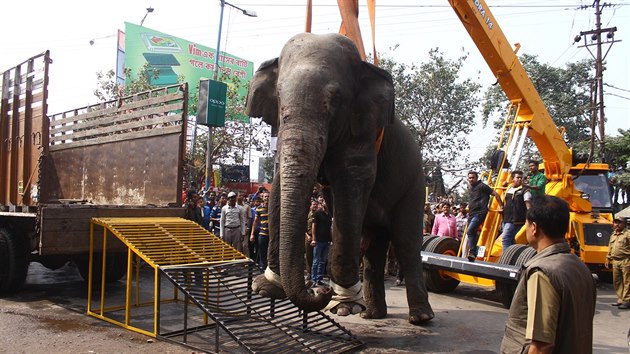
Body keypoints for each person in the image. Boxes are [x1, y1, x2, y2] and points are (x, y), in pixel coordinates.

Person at [500, 195, 596, 354]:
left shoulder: (542, 272)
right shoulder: (579, 266)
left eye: (526, 223)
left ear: (534, 228)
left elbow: (541, 346)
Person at [465, 171, 504, 261]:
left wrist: (501, 206)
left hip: (479, 213)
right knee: (472, 233)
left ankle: (472, 252)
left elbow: (496, 194)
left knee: (470, 231)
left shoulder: (482, 186)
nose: (471, 179)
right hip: (471, 213)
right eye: (470, 178)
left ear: (477, 178)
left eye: (473, 177)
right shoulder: (471, 187)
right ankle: (473, 253)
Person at [606, 217, 630, 309]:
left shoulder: (627, 234)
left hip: (626, 260)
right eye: (615, 222)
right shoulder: (613, 235)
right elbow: (610, 248)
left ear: (624, 224)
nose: (617, 224)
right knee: (617, 281)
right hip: (615, 261)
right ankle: (620, 299)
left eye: (619, 222)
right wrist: (608, 258)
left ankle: (627, 300)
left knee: (627, 281)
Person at [501, 170, 528, 250]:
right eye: (517, 177)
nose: (519, 179)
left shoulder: (525, 191)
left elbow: (528, 205)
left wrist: (528, 218)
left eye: (521, 178)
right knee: (511, 240)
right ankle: (514, 259)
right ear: (512, 179)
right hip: (506, 218)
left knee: (505, 238)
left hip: (515, 220)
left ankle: (505, 260)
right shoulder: (509, 188)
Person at [309, 198, 332, 286]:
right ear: (322, 203)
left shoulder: (329, 214)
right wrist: (314, 239)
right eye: (325, 202)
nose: (327, 203)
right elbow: (313, 228)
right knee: (316, 261)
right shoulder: (317, 213)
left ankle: (319, 278)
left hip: (327, 241)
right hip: (318, 241)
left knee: (323, 261)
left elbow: (330, 228)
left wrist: (331, 239)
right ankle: (313, 280)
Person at [250, 191, 270, 268]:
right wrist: (252, 234)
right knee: (262, 252)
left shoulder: (273, 208)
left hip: (272, 235)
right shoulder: (259, 209)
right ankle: (263, 267)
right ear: (262, 198)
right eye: (265, 196)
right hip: (262, 234)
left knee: (271, 252)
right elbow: (255, 222)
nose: (267, 198)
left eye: (268, 196)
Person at [304, 199, 319, 280]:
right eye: (313, 204)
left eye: (316, 204)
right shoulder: (307, 215)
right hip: (308, 237)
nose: (315, 206)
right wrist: (308, 236)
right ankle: (309, 272)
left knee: (316, 256)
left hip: (317, 238)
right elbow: (303, 227)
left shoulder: (319, 214)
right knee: (309, 256)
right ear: (310, 206)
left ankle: (315, 274)